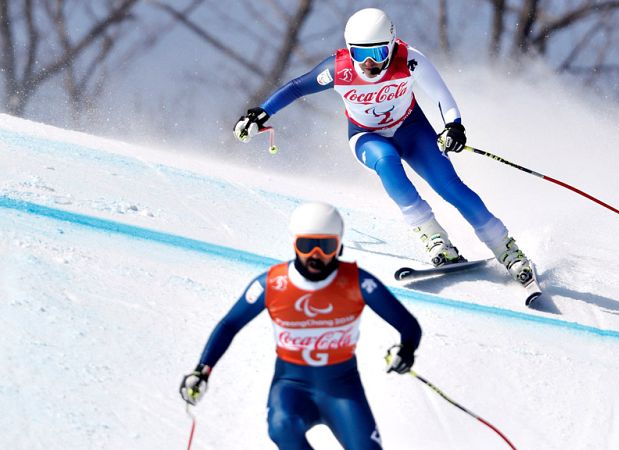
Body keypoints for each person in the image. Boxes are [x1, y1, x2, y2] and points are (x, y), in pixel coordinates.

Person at [233, 7, 538, 291]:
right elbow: (297, 87)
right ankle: (433, 237)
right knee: (387, 161)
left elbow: (442, 95)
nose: (369, 63)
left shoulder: (409, 59)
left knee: (450, 187)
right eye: (359, 53)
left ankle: (505, 248)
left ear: (391, 45)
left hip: (412, 131)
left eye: (378, 52)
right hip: (367, 137)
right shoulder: (339, 70)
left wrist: (453, 126)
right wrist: (259, 114)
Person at [179, 202, 421, 450]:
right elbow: (230, 324)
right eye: (306, 245)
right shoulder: (272, 283)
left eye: (326, 246)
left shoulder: (358, 282)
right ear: (295, 245)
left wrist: (406, 349)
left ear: (338, 247)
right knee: (283, 427)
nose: (315, 254)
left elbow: (408, 325)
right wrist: (203, 369)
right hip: (291, 387)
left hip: (342, 388)